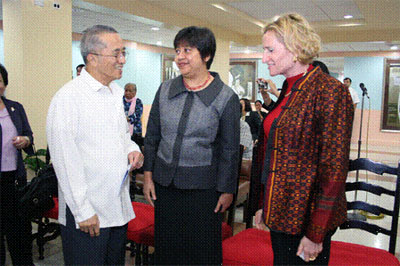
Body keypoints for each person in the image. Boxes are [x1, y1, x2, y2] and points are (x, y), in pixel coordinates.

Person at [254, 13, 354, 265]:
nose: (264, 57)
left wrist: (316, 233)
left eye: (270, 50)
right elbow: (274, 154)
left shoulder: (330, 91)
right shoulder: (289, 88)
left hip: (306, 221)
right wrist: (264, 205)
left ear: (296, 49)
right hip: (281, 214)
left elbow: (334, 171)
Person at [47, 25, 144, 266]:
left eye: (124, 54)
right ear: (92, 58)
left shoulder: (114, 93)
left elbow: (123, 136)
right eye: (116, 54)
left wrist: (133, 149)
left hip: (116, 208)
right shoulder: (69, 98)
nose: (122, 60)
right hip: (87, 214)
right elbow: (65, 159)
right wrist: (82, 211)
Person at [143, 26, 240, 265]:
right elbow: (152, 135)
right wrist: (147, 176)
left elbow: (229, 149)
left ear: (206, 56)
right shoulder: (165, 89)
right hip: (165, 185)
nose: (180, 57)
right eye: (177, 50)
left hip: (204, 191)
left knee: (200, 253)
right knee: (167, 250)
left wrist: (227, 190)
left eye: (187, 50)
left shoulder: (226, 97)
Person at [0, 64, 34, 266]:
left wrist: (25, 140)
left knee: (18, 230)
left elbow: (29, 135)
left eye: (0, 81)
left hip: (14, 178)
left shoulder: (15, 107)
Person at [123, 82, 144, 147]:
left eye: (130, 91)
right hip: (123, 130)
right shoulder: (120, 101)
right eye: (126, 90)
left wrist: (128, 119)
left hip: (135, 131)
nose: (127, 93)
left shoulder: (138, 102)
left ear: (135, 92)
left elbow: (138, 115)